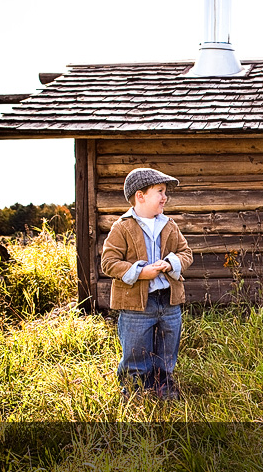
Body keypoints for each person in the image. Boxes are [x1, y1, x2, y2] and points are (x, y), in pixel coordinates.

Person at [101, 167, 193, 400]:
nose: (165, 197)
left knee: (167, 346)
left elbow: (186, 253)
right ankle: (134, 389)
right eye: (160, 191)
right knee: (136, 348)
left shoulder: (169, 225)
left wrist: (171, 263)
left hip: (168, 301)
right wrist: (140, 273)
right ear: (140, 196)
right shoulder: (122, 227)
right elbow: (109, 262)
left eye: (165, 192)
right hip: (136, 304)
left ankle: (164, 384)